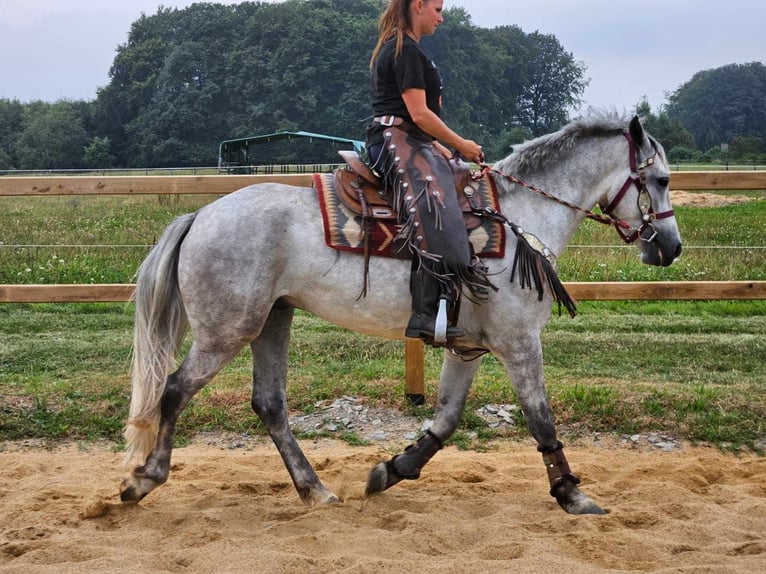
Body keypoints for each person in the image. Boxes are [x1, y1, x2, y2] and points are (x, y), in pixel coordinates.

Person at [365, 0, 492, 346]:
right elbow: (418, 114)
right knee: (435, 206)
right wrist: (461, 143)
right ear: (417, 5)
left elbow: (414, 121)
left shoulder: (408, 50)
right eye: (436, 8)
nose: (441, 16)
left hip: (409, 140)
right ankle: (425, 312)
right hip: (395, 142)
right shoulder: (404, 51)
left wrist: (441, 148)